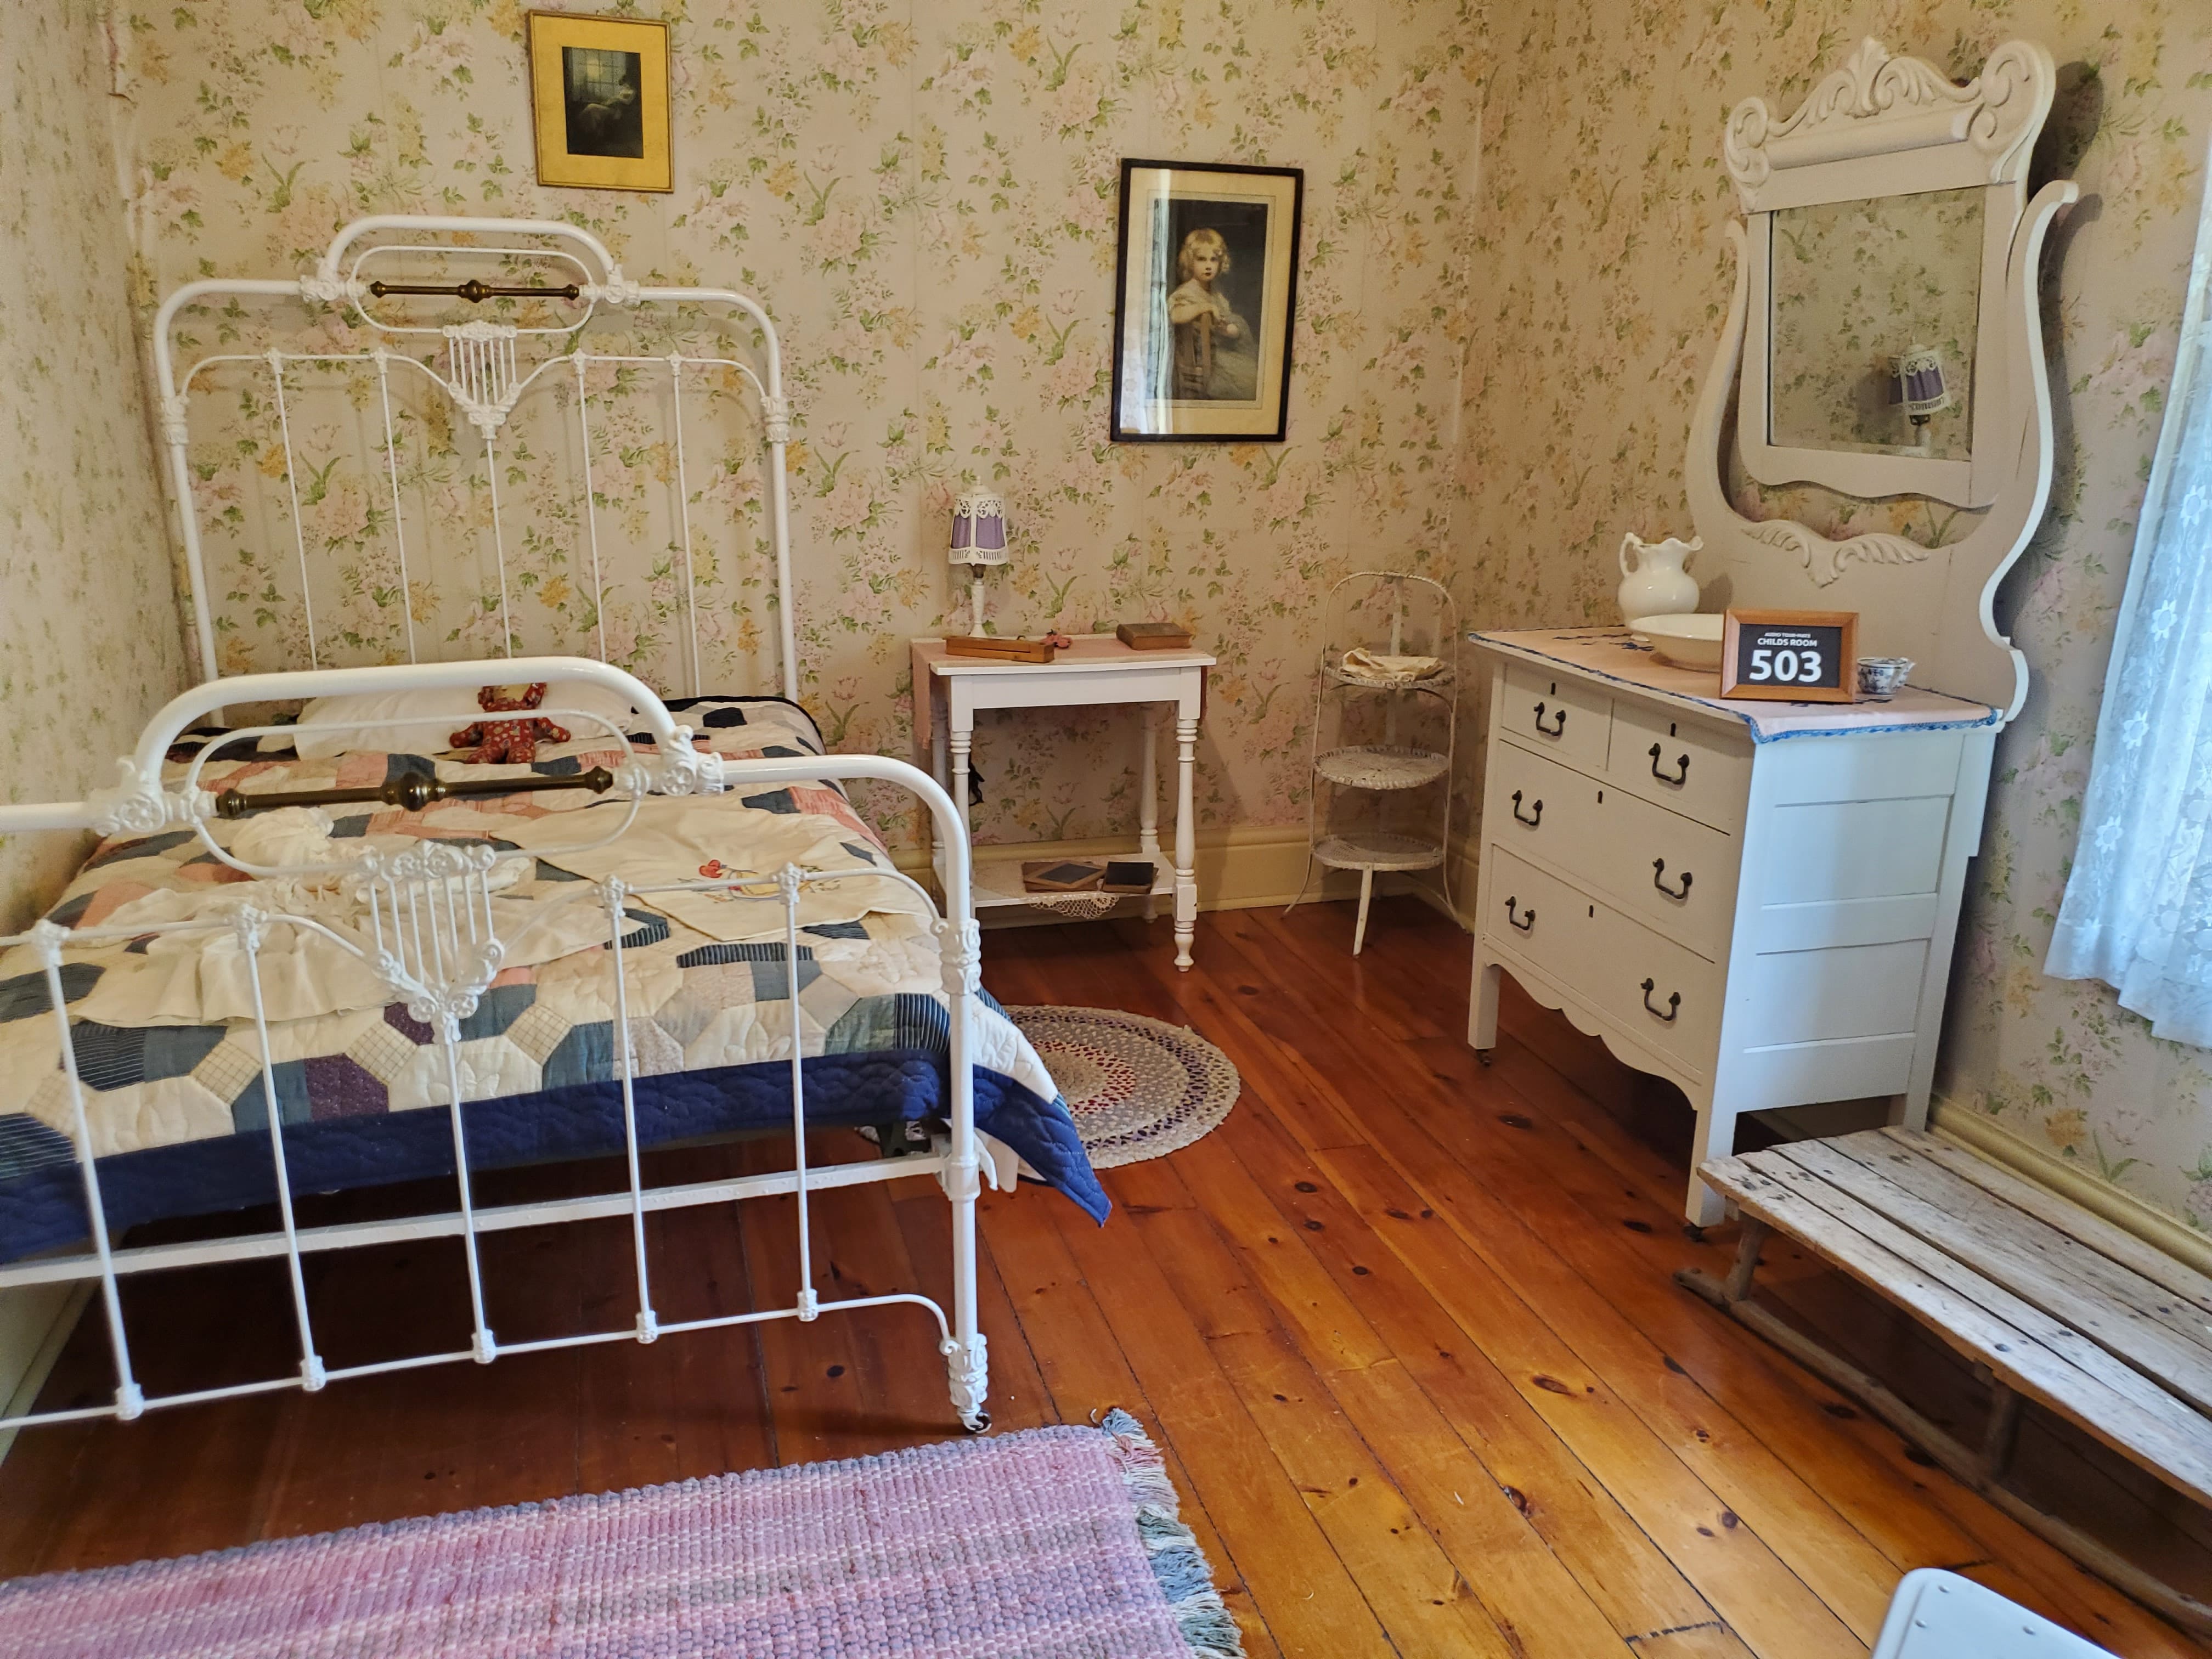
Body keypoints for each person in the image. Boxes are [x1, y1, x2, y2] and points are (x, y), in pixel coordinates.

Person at [1166, 228, 1257, 401]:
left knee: (1254, 368)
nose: (1208, 266)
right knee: (1249, 379)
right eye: (1201, 259)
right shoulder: (1187, 291)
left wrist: (1229, 330)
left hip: (1217, 353)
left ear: (1221, 263)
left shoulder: (1217, 294)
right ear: (1190, 261)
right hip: (1200, 359)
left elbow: (1223, 322)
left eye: (1214, 260)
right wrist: (1205, 307)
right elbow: (1175, 315)